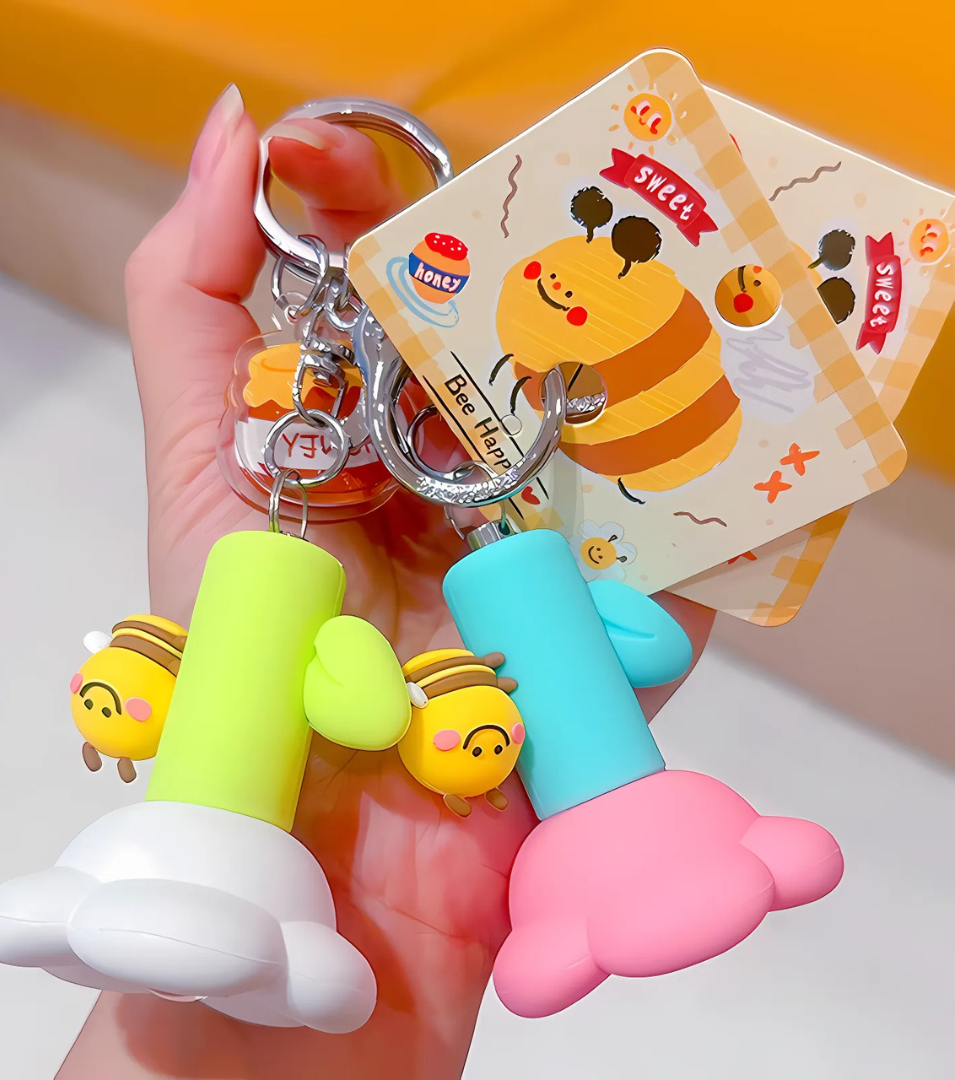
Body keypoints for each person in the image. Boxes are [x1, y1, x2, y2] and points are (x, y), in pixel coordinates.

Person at [56, 84, 714, 1079]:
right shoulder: (298, 580)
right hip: (251, 868)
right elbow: (369, 702)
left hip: (267, 874)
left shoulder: (452, 594)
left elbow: (362, 704)